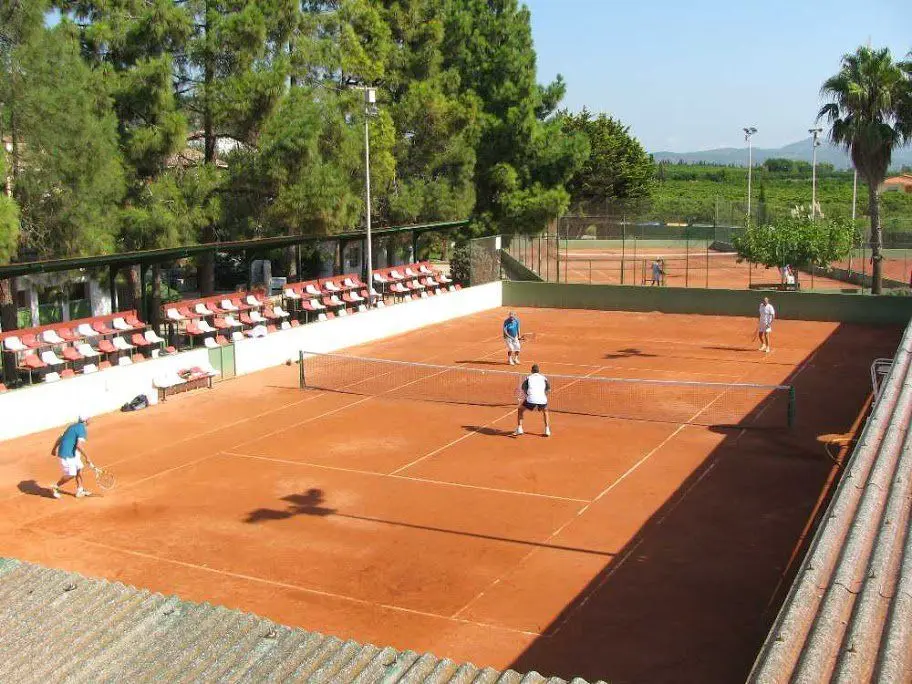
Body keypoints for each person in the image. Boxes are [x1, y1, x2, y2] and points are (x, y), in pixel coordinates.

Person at [49, 415, 95, 499]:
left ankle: (80, 490)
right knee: (71, 474)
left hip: (72, 452)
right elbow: (79, 446)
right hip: (66, 454)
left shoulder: (72, 426)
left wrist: (54, 448)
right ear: (86, 420)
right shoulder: (82, 429)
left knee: (79, 468)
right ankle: (55, 486)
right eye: (89, 418)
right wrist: (87, 457)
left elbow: (61, 438)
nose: (91, 420)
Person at [514, 364, 551, 437]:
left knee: (520, 409)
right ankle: (547, 430)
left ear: (531, 371)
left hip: (531, 399)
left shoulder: (528, 378)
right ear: (538, 371)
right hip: (542, 399)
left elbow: (523, 388)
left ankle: (520, 428)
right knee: (545, 412)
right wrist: (543, 395)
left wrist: (527, 395)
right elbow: (549, 390)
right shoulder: (544, 378)